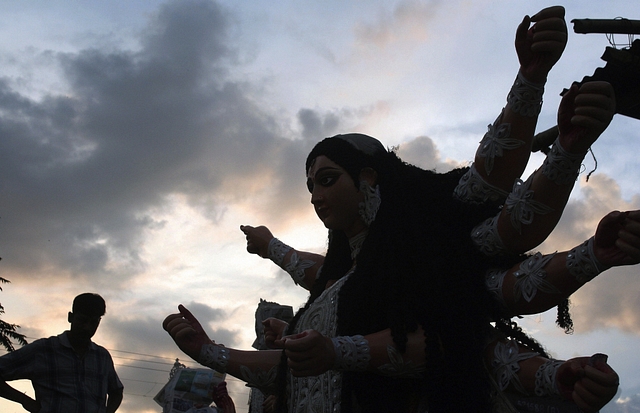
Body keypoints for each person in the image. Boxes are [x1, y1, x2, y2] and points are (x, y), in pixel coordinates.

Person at [164, 6, 639, 413]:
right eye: (310, 186)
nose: (316, 196)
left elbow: (451, 343)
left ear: (370, 177)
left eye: (327, 179)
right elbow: (292, 366)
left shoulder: (427, 256)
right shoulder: (336, 279)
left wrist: (544, 104)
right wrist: (209, 351)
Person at [0, 293, 124, 413]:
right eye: (82, 320)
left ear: (99, 322)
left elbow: (116, 391)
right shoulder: (43, 349)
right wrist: (25, 401)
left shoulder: (102, 356)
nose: (87, 327)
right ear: (70, 317)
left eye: (93, 322)